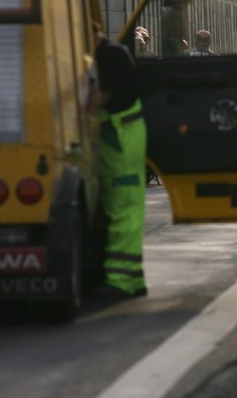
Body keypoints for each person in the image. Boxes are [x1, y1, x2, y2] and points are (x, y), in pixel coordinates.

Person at [91, 24, 148, 299]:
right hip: (120, 139)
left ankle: (121, 282)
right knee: (123, 209)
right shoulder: (112, 54)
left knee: (123, 211)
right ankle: (133, 280)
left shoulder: (110, 57)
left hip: (121, 140)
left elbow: (101, 98)